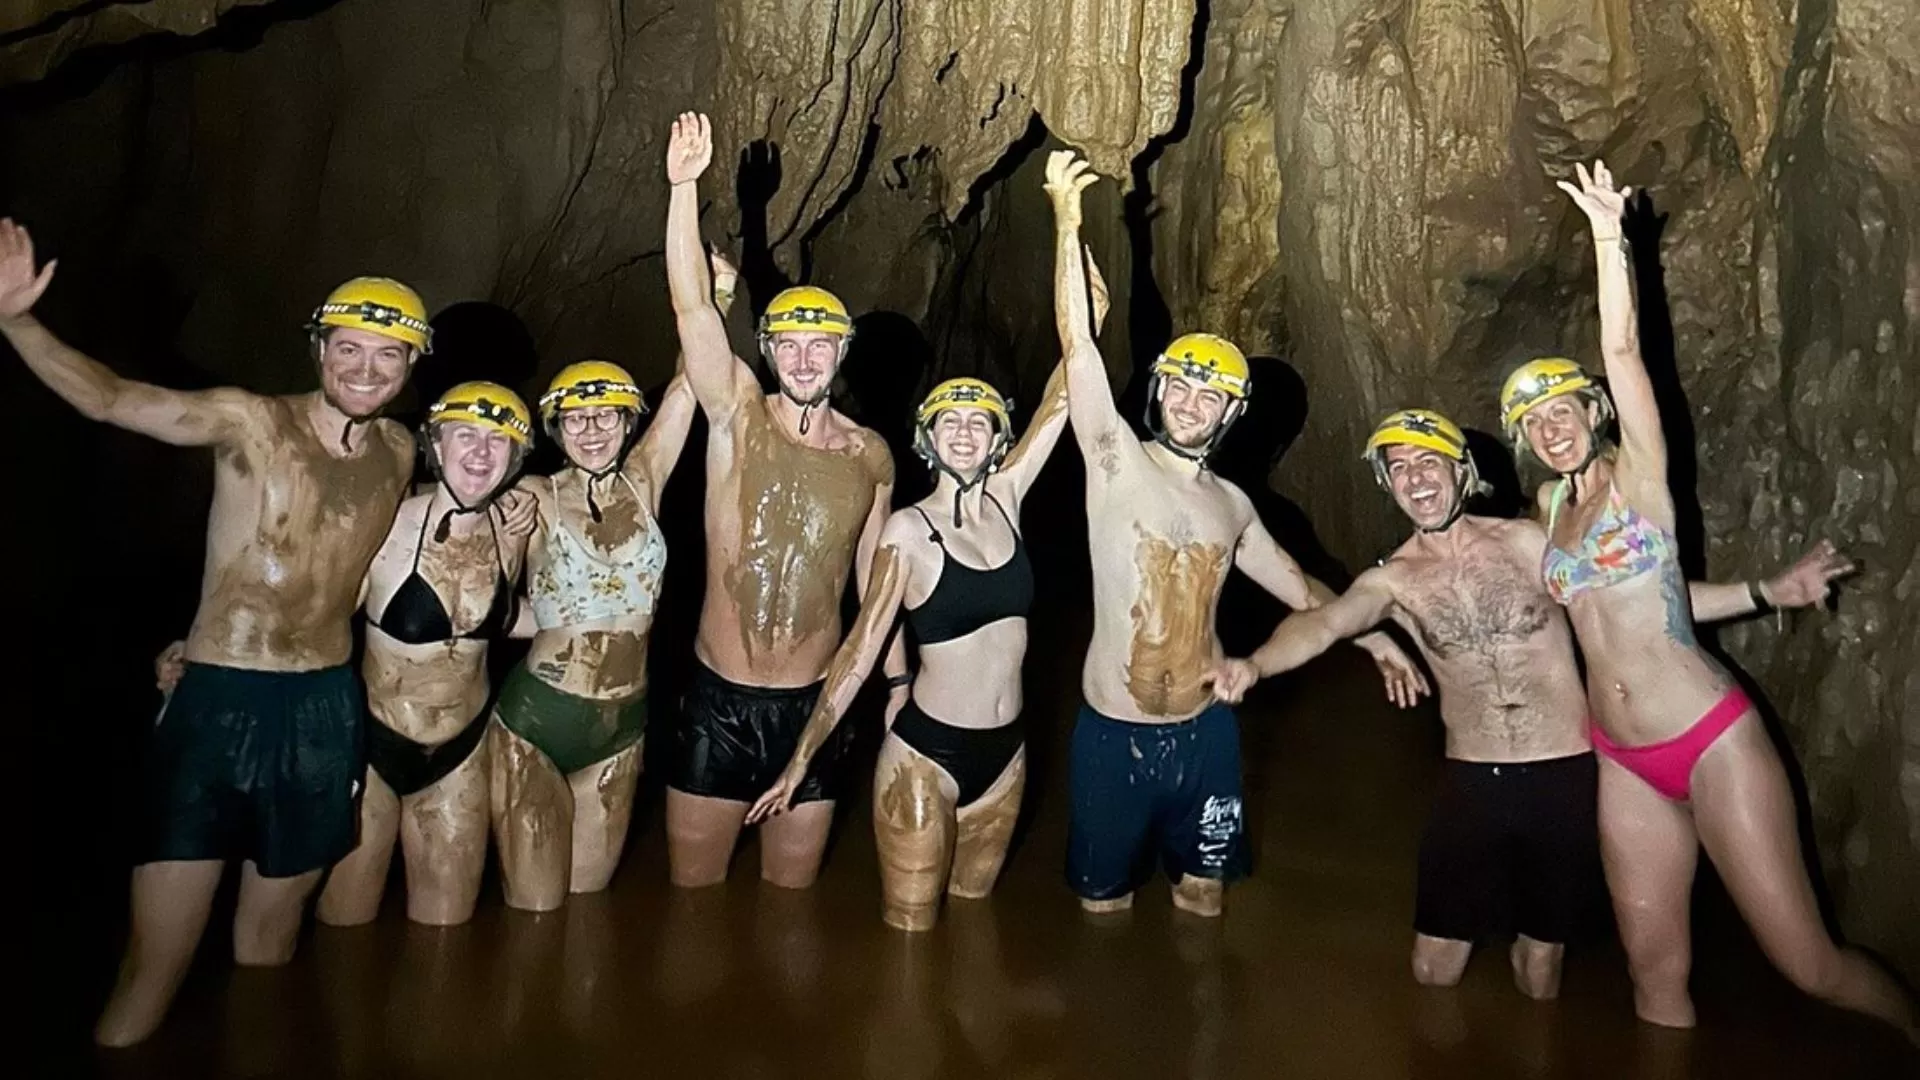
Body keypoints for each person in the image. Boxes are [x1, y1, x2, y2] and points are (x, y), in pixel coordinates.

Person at [1210, 408, 1856, 999]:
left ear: (1462, 473)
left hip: (1569, 774)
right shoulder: (1391, 581)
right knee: (1434, 965)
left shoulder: (1526, 545)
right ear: (1389, 487)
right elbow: (1323, 624)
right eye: (1399, 469)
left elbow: (1642, 599)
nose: (1416, 478)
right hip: (1474, 781)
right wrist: (1256, 663)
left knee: (1540, 967)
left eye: (1428, 461)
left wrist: (1766, 592)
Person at [1501, 159, 1917, 1039]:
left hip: (1708, 741)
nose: (1553, 424)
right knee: (1655, 980)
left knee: (1811, 968)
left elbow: (1624, 352)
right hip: (1621, 759)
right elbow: (1656, 599)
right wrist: (1770, 589)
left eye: (1564, 407)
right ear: (1527, 444)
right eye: (1535, 421)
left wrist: (1609, 237)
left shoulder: (1639, 479)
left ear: (1592, 412)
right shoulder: (1551, 509)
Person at [0, 219, 424, 1046]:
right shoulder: (249, 422)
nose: (365, 369)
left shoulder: (403, 450)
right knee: (155, 957)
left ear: (411, 367)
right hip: (220, 700)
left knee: (270, 944)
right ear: (319, 350)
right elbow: (113, 399)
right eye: (349, 348)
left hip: (322, 713)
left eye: (388, 355)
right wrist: (16, 320)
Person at [1041, 153, 1428, 918]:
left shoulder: (1235, 507)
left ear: (1229, 414)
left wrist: (1372, 638)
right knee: (1103, 908)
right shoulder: (1115, 460)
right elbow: (1077, 350)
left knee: (1205, 901)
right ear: (1158, 392)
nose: (1191, 402)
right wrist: (1065, 222)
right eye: (1180, 386)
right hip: (1111, 734)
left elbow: (1301, 588)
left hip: (1207, 730)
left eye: (1210, 394)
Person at [153, 381, 542, 926]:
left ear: (515, 458)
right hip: (373, 745)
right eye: (466, 435)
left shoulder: (515, 526)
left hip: (462, 746)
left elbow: (501, 619)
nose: (481, 452)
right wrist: (202, 643)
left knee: (446, 932)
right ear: (436, 444)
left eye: (499, 441)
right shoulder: (388, 522)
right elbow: (307, 595)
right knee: (345, 926)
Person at [743, 342, 1096, 927]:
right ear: (927, 441)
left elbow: (1061, 401)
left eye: (978, 422)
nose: (963, 434)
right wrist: (801, 759)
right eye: (947, 423)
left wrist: (1085, 318)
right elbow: (860, 648)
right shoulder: (907, 531)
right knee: (911, 936)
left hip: (1007, 759)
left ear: (998, 439)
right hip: (924, 759)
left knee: (974, 923)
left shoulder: (1008, 497)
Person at [662, 112, 896, 889]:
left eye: (818, 343)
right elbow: (695, 311)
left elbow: (876, 592)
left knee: (790, 909)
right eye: (787, 344)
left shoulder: (871, 455)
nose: (802, 357)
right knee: (692, 905)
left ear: (840, 354)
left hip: (817, 704)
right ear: (766, 351)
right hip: (716, 700)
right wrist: (682, 190)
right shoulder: (736, 413)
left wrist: (896, 693)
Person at [486, 347, 705, 911]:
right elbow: (463, 528)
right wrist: (505, 538)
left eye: (606, 415)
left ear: (629, 422)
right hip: (539, 719)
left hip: (623, 725)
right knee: (536, 911)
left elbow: (687, 384)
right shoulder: (532, 494)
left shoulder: (645, 478)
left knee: (588, 912)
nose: (591, 429)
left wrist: (717, 294)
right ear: (556, 429)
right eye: (576, 419)